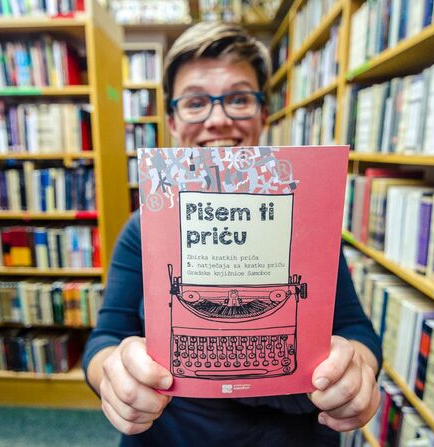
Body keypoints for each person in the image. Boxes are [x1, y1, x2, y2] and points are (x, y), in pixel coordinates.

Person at [83, 22, 382, 447]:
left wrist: (358, 372)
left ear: (263, 114)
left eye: (239, 99)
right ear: (172, 120)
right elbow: (105, 337)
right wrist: (112, 375)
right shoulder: (141, 228)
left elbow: (356, 329)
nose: (218, 120)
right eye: (195, 103)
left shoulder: (308, 218)